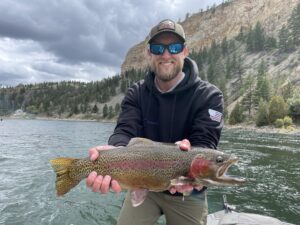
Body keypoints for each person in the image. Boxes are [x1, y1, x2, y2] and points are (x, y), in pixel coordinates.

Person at [86, 19, 224, 225]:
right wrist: (114, 151)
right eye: (158, 48)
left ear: (185, 51)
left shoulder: (209, 96)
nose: (166, 55)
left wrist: (193, 167)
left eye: (174, 47)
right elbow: (125, 130)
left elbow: (205, 143)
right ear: (149, 53)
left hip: (188, 189)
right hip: (143, 183)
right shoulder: (136, 93)